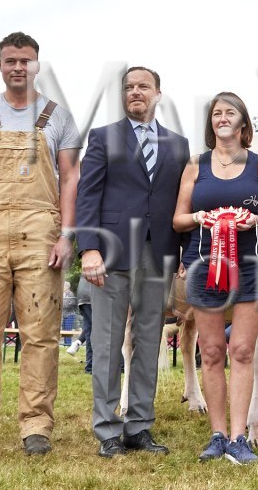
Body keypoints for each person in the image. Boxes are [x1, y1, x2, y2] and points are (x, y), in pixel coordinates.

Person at [0, 32, 81, 457]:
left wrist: (67, 235)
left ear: (37, 65)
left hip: (41, 229)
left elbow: (71, 179)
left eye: (25, 60)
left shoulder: (58, 117)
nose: (18, 67)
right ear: (0, 65)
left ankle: (36, 426)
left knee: (41, 334)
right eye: (11, 60)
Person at [76, 66, 189, 458]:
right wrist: (88, 248)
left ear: (158, 93)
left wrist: (183, 252)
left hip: (159, 254)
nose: (135, 92)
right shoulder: (102, 137)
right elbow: (87, 196)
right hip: (111, 254)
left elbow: (181, 201)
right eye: (128, 87)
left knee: (148, 339)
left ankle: (139, 426)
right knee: (107, 342)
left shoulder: (178, 145)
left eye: (143, 86)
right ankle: (107, 429)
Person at [173, 92, 258, 466]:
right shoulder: (195, 165)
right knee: (212, 351)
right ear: (211, 123)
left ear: (243, 123)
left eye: (229, 112)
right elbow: (178, 220)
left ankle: (239, 437)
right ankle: (217, 435)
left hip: (251, 265)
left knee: (243, 351)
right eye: (216, 113)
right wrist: (199, 218)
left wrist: (254, 221)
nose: (222, 118)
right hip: (204, 264)